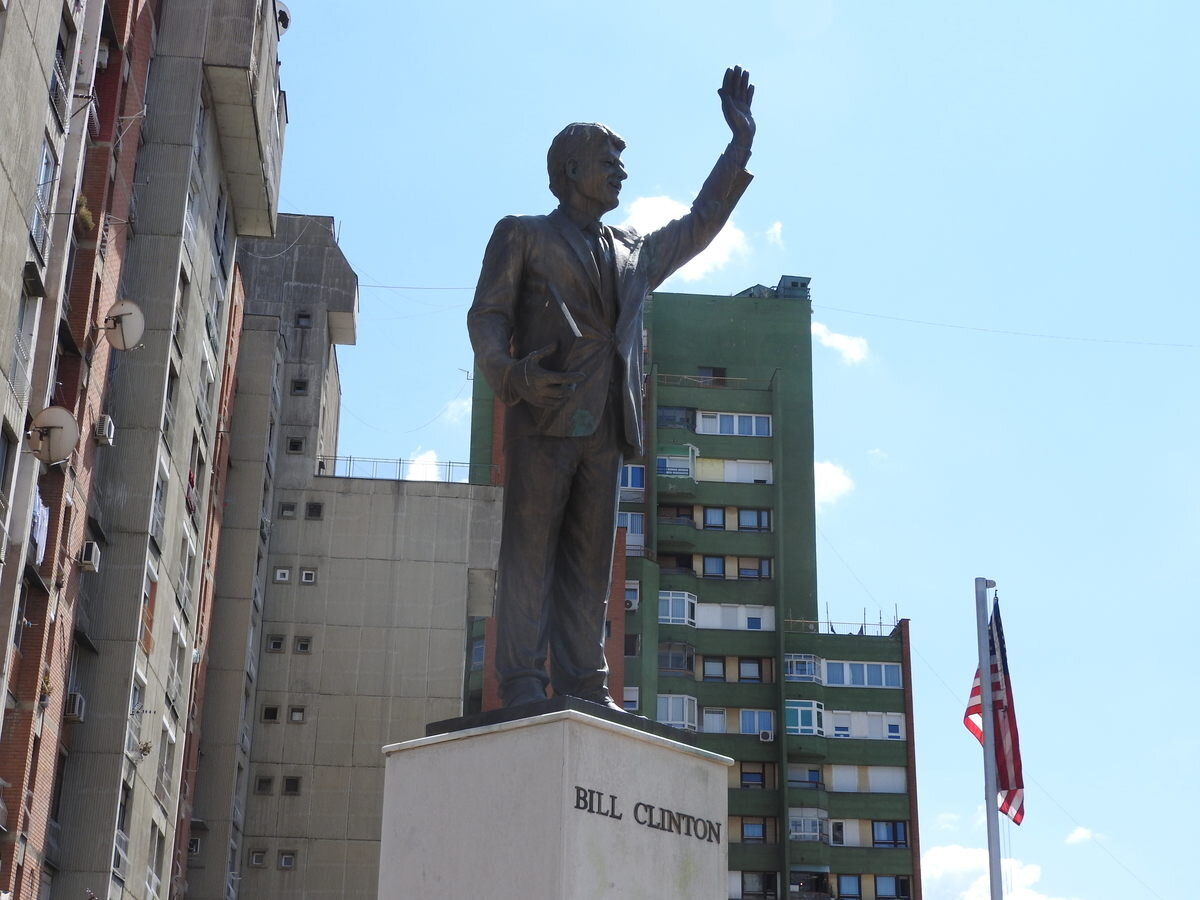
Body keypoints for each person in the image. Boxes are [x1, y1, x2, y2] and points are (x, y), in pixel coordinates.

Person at [468, 66, 756, 709]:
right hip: (543, 413)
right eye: (609, 160)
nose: (622, 172)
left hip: (605, 427)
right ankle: (520, 679)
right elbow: (486, 316)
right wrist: (511, 376)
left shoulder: (633, 250)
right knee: (529, 555)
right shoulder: (524, 234)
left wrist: (739, 144)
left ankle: (585, 683)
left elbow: (702, 222)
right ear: (571, 169)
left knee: (591, 566)